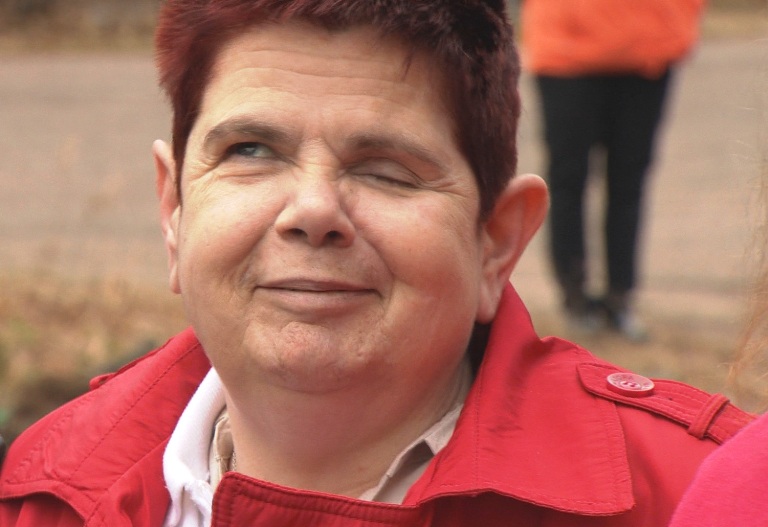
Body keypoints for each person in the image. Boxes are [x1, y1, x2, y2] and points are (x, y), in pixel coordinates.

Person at [0, 1, 752, 526]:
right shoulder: (44, 491)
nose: (313, 211)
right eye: (251, 151)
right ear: (173, 209)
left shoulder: (701, 498)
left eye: (386, 168)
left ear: (497, 239)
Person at [520, 0, 705, 340]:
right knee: (567, 179)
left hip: (648, 43)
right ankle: (574, 294)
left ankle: (620, 296)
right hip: (567, 48)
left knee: (628, 182)